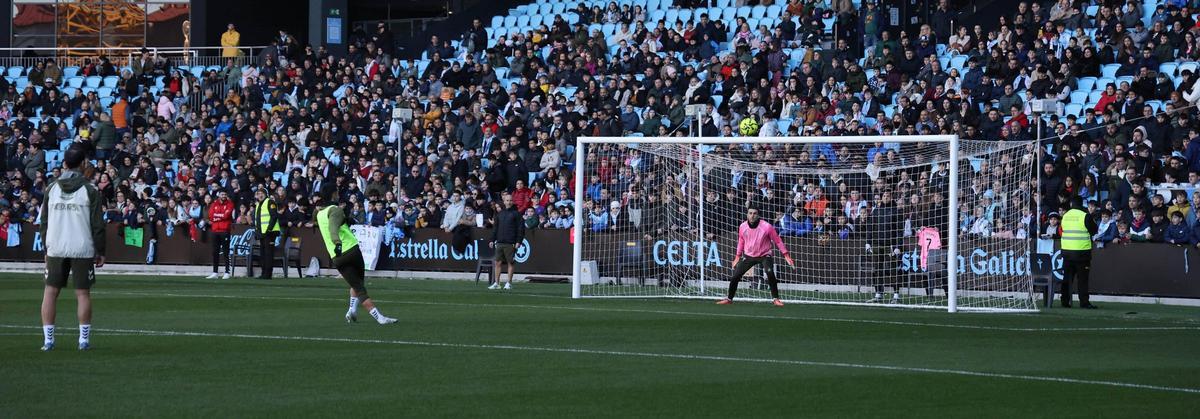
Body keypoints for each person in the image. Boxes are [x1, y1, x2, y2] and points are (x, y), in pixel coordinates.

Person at [39, 145, 105, 351]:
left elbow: (44, 222)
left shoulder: (51, 188)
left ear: (64, 164)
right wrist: (100, 250)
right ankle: (83, 340)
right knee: (82, 294)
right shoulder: (90, 190)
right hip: (82, 246)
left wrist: (45, 248)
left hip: (56, 245)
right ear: (83, 164)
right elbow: (97, 224)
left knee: (50, 292)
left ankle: (48, 341)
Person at [314, 186, 397, 324]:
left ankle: (352, 310)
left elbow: (328, 223)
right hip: (350, 249)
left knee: (355, 283)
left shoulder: (319, 215)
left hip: (337, 257)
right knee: (360, 286)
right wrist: (338, 242)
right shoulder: (335, 210)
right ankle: (379, 318)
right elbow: (333, 228)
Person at [717, 206, 795, 306]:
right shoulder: (742, 226)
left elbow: (778, 241)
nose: (752, 215)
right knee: (735, 276)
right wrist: (737, 256)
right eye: (750, 213)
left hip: (764, 255)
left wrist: (786, 255)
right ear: (747, 214)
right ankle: (729, 299)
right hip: (749, 256)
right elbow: (741, 241)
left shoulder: (767, 226)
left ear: (758, 215)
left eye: (754, 213)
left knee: (770, 273)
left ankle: (776, 299)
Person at [1060, 197, 1099, 309]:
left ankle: (1064, 301)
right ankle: (1084, 302)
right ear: (1082, 204)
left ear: (1072, 203)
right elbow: (1094, 230)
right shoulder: (1085, 216)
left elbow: (1062, 230)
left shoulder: (1065, 216)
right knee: (1082, 279)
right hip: (1082, 253)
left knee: (1067, 279)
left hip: (1067, 252)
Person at [488, 193, 525, 290]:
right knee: (497, 262)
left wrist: (518, 241)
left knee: (510, 262)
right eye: (507, 200)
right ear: (504, 202)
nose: (509, 202)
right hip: (500, 242)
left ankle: (509, 283)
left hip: (510, 242)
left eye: (510, 200)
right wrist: (492, 239)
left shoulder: (516, 214)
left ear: (513, 202)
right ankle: (496, 283)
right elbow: (495, 228)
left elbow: (520, 229)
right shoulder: (499, 214)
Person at [253, 187, 282, 279]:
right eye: (258, 194)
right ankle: (263, 273)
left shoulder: (270, 202)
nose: (260, 195)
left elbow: (274, 217)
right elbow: (258, 220)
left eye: (262, 193)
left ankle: (268, 274)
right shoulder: (258, 205)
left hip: (270, 233)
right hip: (262, 233)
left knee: (268, 254)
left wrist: (269, 229)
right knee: (263, 254)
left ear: (266, 194)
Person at [206, 189, 234, 279]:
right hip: (215, 231)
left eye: (225, 194)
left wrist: (217, 216)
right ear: (219, 195)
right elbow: (210, 215)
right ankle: (215, 272)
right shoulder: (214, 204)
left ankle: (227, 272)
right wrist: (220, 216)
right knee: (215, 252)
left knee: (226, 252)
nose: (224, 196)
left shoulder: (230, 204)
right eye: (222, 194)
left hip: (225, 231)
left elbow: (226, 215)